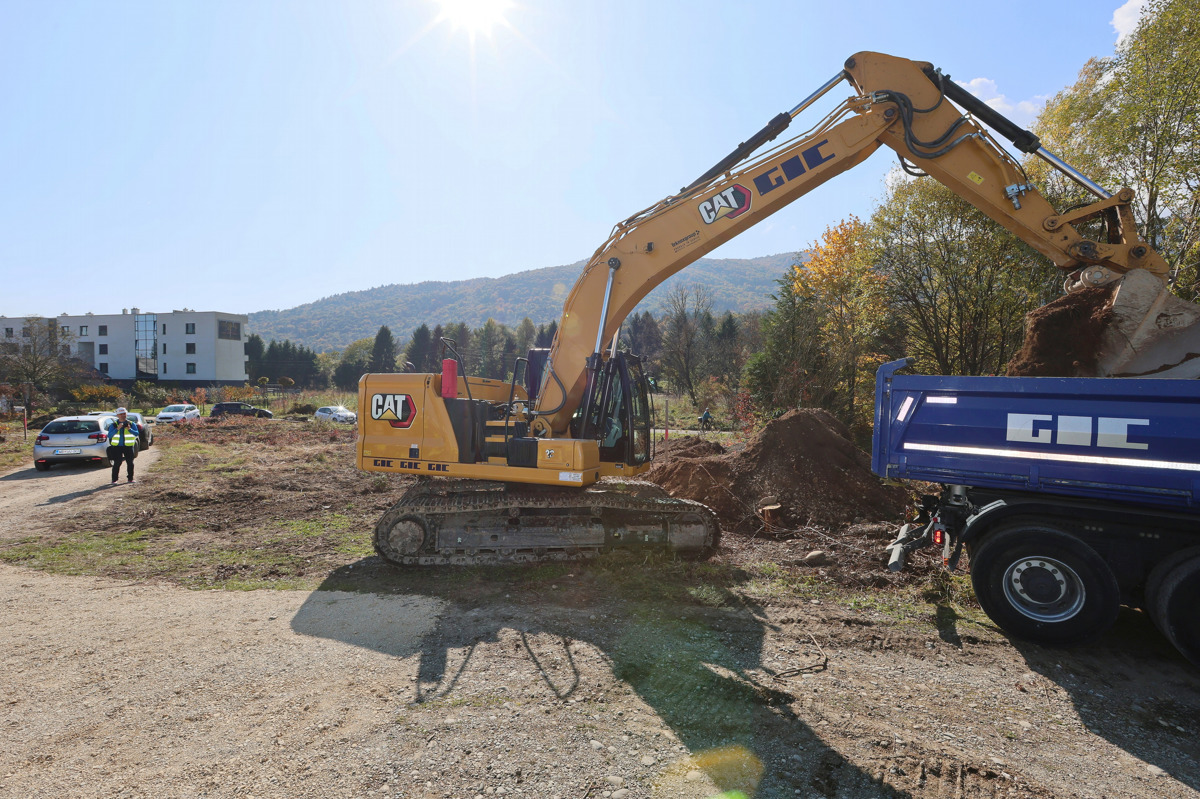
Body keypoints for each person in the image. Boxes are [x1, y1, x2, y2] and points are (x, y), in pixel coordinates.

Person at [105, 407, 139, 484]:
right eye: (121, 414)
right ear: (117, 415)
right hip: (117, 447)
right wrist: (117, 428)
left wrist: (129, 429)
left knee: (130, 463)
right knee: (117, 463)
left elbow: (136, 434)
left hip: (128, 446)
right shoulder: (113, 425)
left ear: (126, 414)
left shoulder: (131, 423)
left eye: (124, 414)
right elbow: (110, 435)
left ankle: (130, 479)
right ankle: (114, 480)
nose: (123, 415)